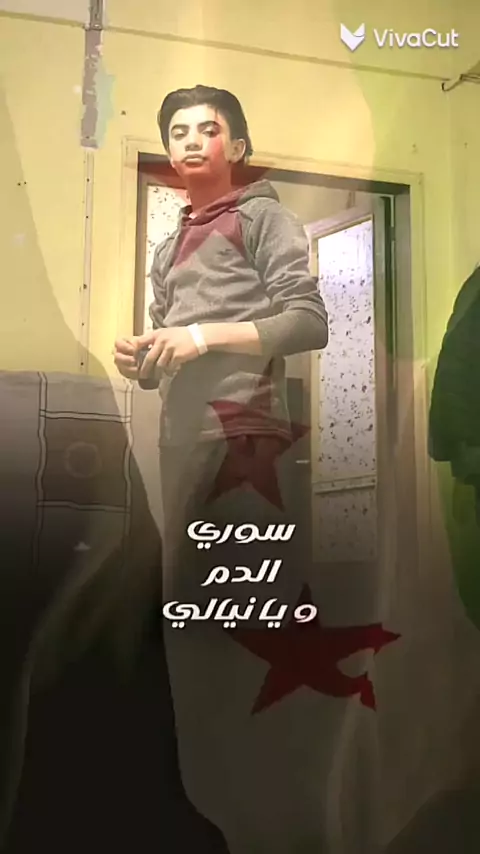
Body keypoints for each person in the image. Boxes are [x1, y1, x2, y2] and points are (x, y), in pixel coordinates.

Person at [113, 85, 329, 843]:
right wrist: (146, 359)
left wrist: (202, 337)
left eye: (208, 129)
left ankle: (273, 807)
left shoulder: (265, 216)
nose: (192, 140)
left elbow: (308, 322)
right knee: (191, 619)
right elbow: (168, 351)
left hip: (249, 441)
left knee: (248, 621)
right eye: (178, 131)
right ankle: (209, 800)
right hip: (182, 439)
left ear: (235, 147)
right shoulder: (168, 243)